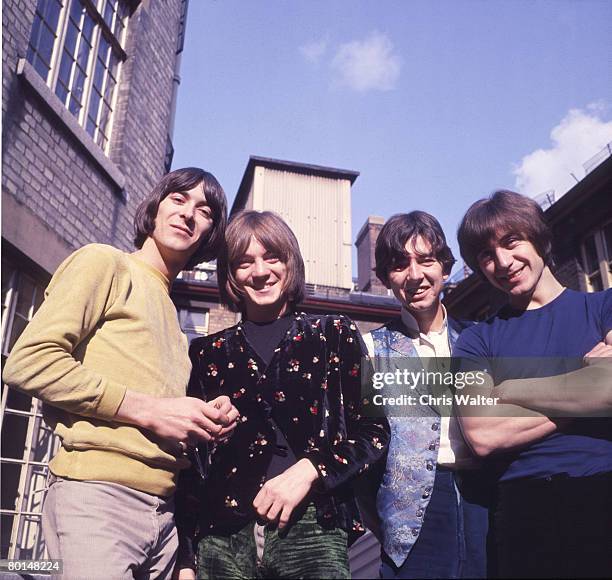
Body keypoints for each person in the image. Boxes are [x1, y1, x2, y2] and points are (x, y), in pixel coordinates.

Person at [3, 167, 239, 579]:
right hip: (99, 501)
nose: (188, 214)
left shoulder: (171, 314)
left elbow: (157, 412)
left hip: (163, 517)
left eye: (204, 211)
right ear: (156, 206)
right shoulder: (105, 263)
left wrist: (204, 418)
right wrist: (150, 410)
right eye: (179, 199)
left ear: (211, 234)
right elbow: (29, 361)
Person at [174, 210, 390, 579]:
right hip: (222, 540)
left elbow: (374, 431)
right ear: (230, 274)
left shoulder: (334, 333)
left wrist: (310, 470)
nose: (260, 272)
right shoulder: (207, 353)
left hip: (313, 530)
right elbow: (192, 464)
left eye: (271, 257)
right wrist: (187, 556)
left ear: (291, 262)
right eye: (244, 262)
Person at [454, 190, 612, 578]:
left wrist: (509, 391)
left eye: (511, 242)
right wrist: (586, 386)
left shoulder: (604, 306)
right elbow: (482, 435)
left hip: (604, 485)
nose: (502, 262)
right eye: (486, 256)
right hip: (524, 506)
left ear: (539, 238)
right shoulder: (475, 340)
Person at [359, 212, 489, 579]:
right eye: (400, 265)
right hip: (411, 520)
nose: (415, 275)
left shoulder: (480, 338)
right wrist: (386, 522)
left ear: (444, 269)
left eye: (426, 260)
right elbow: (361, 457)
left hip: (485, 504)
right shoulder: (371, 349)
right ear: (386, 279)